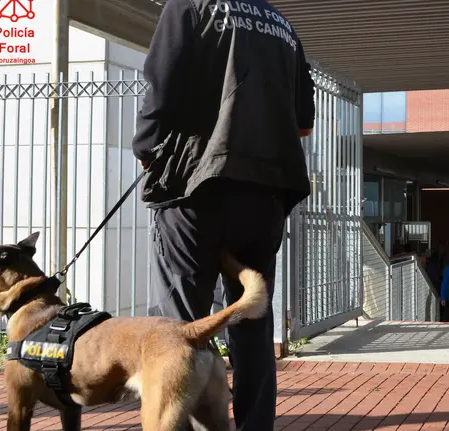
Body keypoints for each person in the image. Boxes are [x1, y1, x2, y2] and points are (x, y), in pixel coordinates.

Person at [131, 0, 315, 428]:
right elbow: (304, 121)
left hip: (196, 187)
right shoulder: (282, 24)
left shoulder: (188, 6)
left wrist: (146, 150)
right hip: (266, 194)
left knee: (183, 326)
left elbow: (161, 85)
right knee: (252, 320)